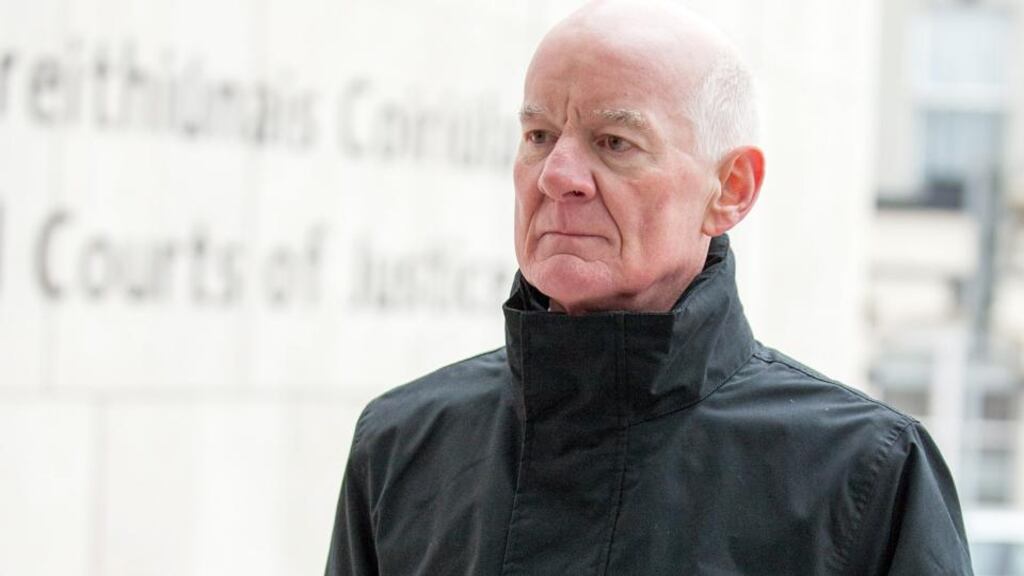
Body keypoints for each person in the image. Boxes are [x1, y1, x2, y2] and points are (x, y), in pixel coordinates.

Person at [325, 1, 974, 574]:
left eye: (614, 142)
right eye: (539, 135)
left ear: (731, 190)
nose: (558, 175)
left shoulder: (865, 474)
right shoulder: (404, 444)